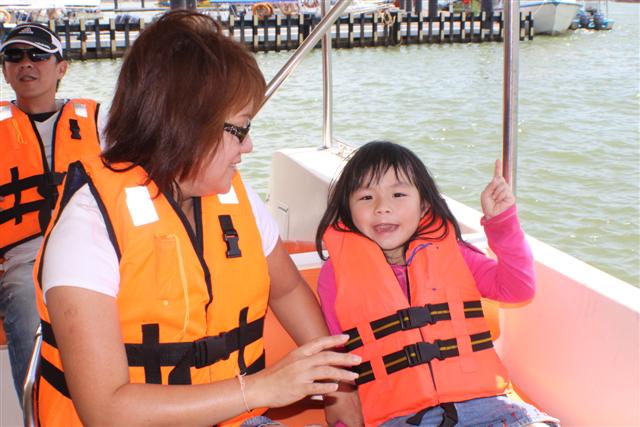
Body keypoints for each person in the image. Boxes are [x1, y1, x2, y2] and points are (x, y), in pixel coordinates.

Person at [31, 10, 360, 427]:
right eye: (240, 129)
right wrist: (261, 389)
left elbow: (288, 289)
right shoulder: (88, 226)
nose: (248, 146)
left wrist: (338, 386)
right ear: (186, 125)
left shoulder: (234, 197)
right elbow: (106, 410)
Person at [315, 141, 560, 427]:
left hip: (490, 408)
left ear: (424, 205)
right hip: (403, 419)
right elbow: (338, 357)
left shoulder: (454, 253)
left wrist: (502, 223)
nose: (383, 208)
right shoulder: (335, 276)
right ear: (348, 210)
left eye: (398, 194)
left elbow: (517, 288)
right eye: (366, 197)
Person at [0, 22, 102, 403]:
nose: (26, 63)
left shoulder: (98, 121)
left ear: (62, 67)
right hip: (22, 255)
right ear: (5, 71)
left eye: (38, 55)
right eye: (14, 56)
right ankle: (41, 411)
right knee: (27, 293)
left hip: (89, 243)